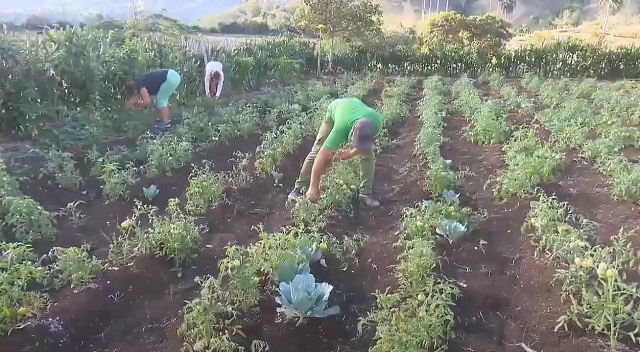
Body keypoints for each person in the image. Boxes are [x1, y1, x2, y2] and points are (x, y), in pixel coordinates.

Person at [287, 98, 383, 208]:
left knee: (367, 153)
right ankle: (298, 189)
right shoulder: (340, 129)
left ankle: (365, 194)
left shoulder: (377, 123)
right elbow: (321, 157)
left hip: (354, 108)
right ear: (351, 134)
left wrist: (350, 153)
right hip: (336, 108)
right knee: (317, 150)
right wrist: (314, 186)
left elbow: (363, 145)